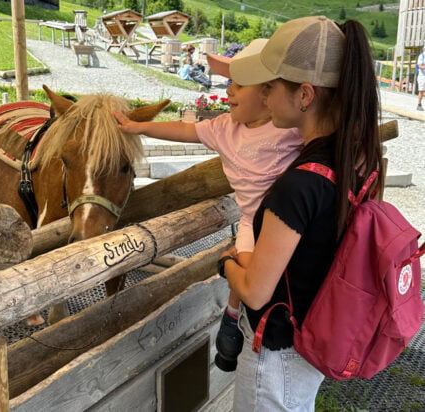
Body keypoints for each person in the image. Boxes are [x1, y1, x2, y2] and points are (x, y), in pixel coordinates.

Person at [219, 16, 383, 410]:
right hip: (311, 341)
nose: (267, 99)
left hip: (275, 356)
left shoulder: (298, 185)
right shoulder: (353, 159)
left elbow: (256, 290)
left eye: (272, 88)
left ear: (305, 95)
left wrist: (226, 259)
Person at [114, 39, 303, 372]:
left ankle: (237, 320)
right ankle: (233, 319)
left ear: (269, 93)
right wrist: (138, 127)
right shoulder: (223, 128)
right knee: (248, 277)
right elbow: (184, 129)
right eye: (229, 81)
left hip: (284, 225)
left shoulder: (289, 128)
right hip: (249, 221)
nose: (228, 91)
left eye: (239, 84)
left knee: (258, 281)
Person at [417, 46, 424, 111]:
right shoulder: (421, 56)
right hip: (422, 76)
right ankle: (419, 104)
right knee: (421, 91)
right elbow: (420, 66)